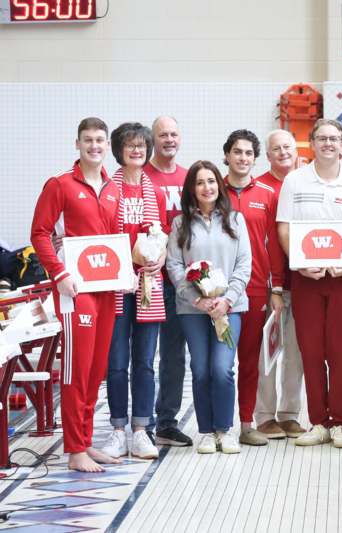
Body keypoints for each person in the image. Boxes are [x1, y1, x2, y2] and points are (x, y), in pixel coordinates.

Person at [276, 119, 342, 448]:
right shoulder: (294, 181)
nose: (328, 144)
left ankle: (340, 422)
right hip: (306, 277)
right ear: (312, 142)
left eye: (334, 139)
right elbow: (284, 228)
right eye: (322, 138)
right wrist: (299, 263)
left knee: (341, 348)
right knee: (311, 349)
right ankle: (318, 421)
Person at [30, 117, 122, 472]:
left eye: (99, 140)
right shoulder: (60, 184)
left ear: (107, 145)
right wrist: (60, 274)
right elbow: (40, 233)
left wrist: (125, 272)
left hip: (106, 288)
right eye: (88, 140)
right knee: (77, 369)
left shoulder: (112, 187)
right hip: (75, 289)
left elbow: (113, 239)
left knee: (96, 369)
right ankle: (74, 450)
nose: (94, 146)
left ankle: (85, 440)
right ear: (77, 144)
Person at [166, 161, 252, 454]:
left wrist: (226, 300)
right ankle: (206, 431)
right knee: (201, 369)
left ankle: (224, 430)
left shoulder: (236, 220)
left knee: (222, 368)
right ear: (192, 188)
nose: (207, 187)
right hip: (193, 310)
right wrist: (197, 299)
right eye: (200, 182)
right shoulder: (180, 224)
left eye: (211, 181)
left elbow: (244, 264)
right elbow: (174, 265)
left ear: (220, 185)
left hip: (229, 307)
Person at [100, 122, 167, 461]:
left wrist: (160, 257)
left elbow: (162, 235)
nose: (137, 150)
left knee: (144, 362)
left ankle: (141, 430)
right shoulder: (106, 189)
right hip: (114, 285)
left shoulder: (155, 191)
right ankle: (117, 430)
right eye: (130, 145)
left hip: (147, 285)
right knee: (116, 362)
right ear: (119, 150)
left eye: (142, 145)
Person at [222, 129, 286, 446]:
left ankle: (247, 424)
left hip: (256, 289)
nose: (243, 158)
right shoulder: (212, 190)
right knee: (220, 365)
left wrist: (277, 288)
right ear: (227, 155)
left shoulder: (267, 194)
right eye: (237, 152)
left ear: (255, 158)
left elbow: (274, 245)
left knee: (249, 362)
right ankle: (218, 426)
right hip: (218, 292)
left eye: (248, 153)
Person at [253, 129, 306, 440]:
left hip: (303, 281)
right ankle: (264, 416)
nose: (283, 152)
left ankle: (289, 414)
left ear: (296, 150)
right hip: (269, 284)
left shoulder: (305, 184)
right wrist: (272, 285)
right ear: (268, 155)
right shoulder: (259, 187)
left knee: (296, 353)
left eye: (288, 146)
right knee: (267, 351)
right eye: (277, 148)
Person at [145, 116, 193, 448]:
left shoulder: (189, 177)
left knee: (175, 356)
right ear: (153, 139)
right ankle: (139, 424)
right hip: (147, 280)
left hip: (179, 281)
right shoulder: (141, 177)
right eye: (163, 134)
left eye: (174, 134)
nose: (169, 139)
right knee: (143, 356)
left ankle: (166, 423)